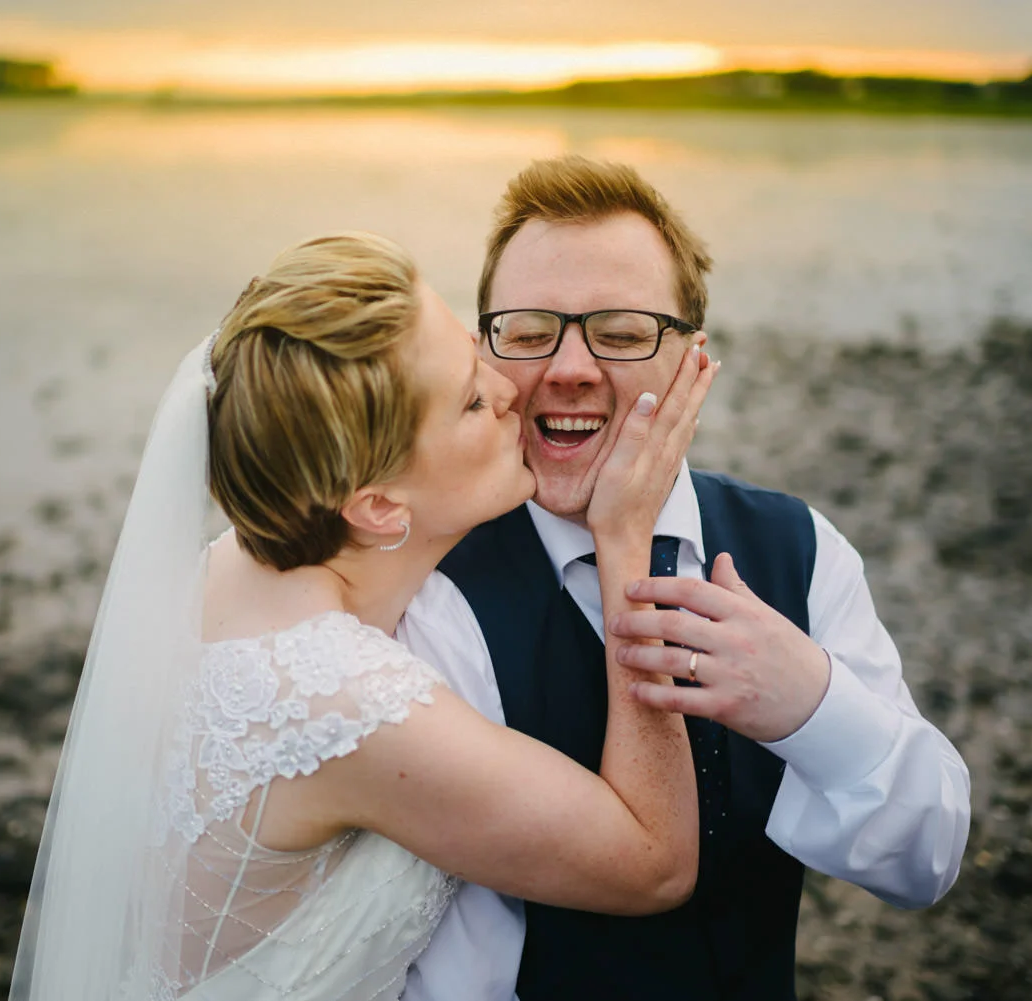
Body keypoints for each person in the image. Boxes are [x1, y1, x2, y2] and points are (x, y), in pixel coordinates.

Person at [9, 231, 719, 1000]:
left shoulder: (227, 568)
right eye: (473, 401)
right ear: (378, 506)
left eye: (475, 351)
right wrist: (623, 538)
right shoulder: (346, 703)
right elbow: (655, 864)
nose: (513, 387)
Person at [400, 156, 973, 1001]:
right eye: (527, 331)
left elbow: (927, 860)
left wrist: (810, 702)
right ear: (485, 353)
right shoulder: (431, 592)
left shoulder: (801, 550)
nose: (567, 368)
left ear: (692, 362)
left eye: (623, 332)